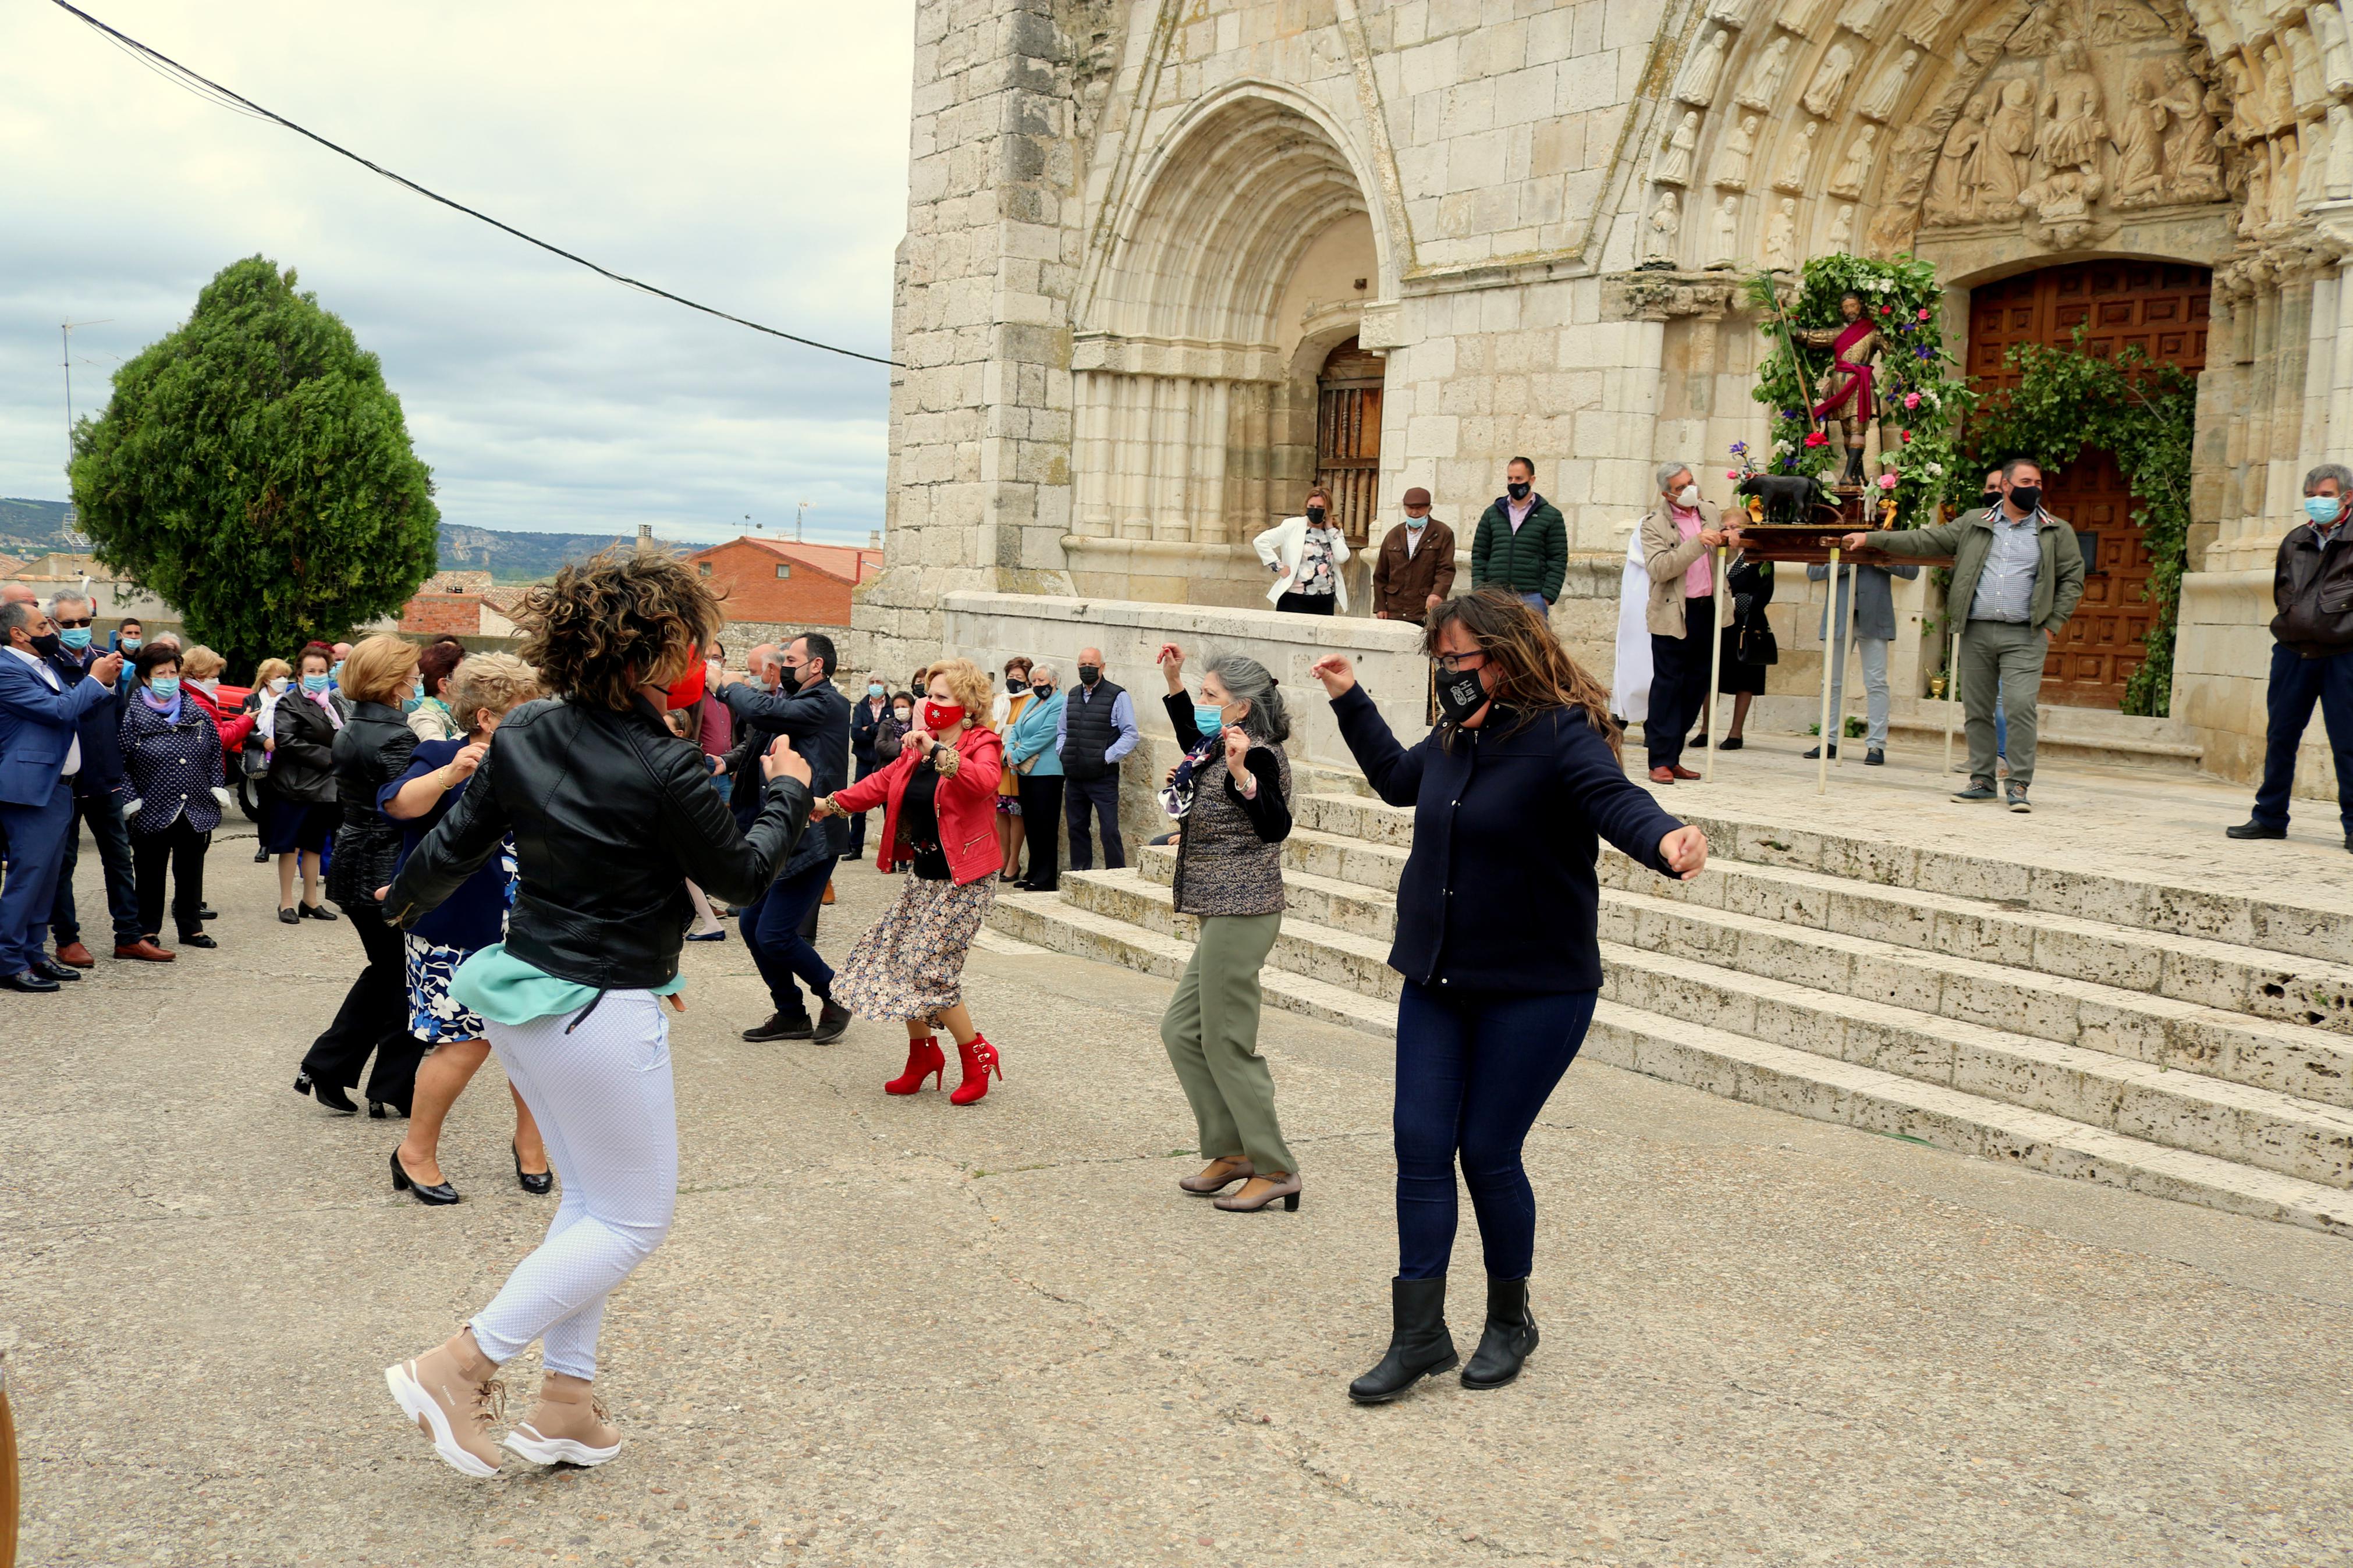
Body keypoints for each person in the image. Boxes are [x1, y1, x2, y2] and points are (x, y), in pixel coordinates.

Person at [381, 547, 814, 1478]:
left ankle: (565, 1404)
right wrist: (789, 788)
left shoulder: (531, 726)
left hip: (528, 992)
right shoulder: (666, 763)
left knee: (589, 1205)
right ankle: (458, 1366)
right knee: (632, 1221)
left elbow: (456, 841)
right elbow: (742, 874)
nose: (695, 658)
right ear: (648, 652)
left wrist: (400, 904)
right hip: (598, 1004)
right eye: (686, 642)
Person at [1309, 590, 1709, 1403]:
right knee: (1420, 1143)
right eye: (1439, 661)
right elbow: (1394, 781)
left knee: (1486, 1149)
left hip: (1535, 987)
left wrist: (1664, 837)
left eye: (1455, 660)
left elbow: (1613, 800)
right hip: (1437, 978)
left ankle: (1508, 1319)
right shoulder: (1454, 732)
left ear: (1501, 655)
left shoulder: (1561, 734)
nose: (1445, 674)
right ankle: (1418, 1333)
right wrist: (1349, 697)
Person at [382, 653, 549, 1204]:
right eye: (526, 712)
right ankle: (415, 1153)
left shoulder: (542, 763)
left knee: (536, 1040)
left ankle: (531, 1144)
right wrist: (451, 774)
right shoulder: (440, 754)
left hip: (533, 926)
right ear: (486, 717)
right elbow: (398, 805)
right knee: (465, 1044)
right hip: (455, 927)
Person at [1844, 455, 2084, 812]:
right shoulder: (1975, 522)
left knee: (2020, 707)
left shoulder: (2056, 530)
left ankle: (2018, 784)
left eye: (2038, 483)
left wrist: (2052, 625)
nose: (2034, 489)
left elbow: (2072, 580)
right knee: (1977, 709)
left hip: (2025, 634)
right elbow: (1926, 540)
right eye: (2026, 483)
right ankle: (1983, 781)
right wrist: (1871, 538)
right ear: (2006, 486)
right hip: (1976, 631)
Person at [816, 660, 1006, 1104]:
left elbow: (984, 782)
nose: (930, 703)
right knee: (899, 961)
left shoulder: (982, 742)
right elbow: (880, 783)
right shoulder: (918, 745)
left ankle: (977, 1055)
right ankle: (922, 1056)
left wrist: (938, 752)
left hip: (965, 878)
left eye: (941, 696)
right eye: (928, 695)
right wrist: (830, 803)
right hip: (923, 876)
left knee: (930, 970)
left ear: (967, 705)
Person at [1152, 643, 1300, 1213]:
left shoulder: (1259, 756)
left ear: (1241, 707)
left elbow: (1275, 827)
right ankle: (1232, 1150)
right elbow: (1191, 731)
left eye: (1211, 694)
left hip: (1245, 908)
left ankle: (1275, 1166)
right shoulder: (1215, 746)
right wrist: (1173, 681)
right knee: (1180, 1030)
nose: (1203, 701)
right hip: (1218, 906)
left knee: (1225, 1039)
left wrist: (1242, 777)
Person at [295, 635, 424, 1119]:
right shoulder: (396, 736)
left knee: (390, 971)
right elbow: (405, 808)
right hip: (384, 867)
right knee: (404, 974)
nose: (416, 681)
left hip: (355, 860)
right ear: (392, 683)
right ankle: (381, 1082)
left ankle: (338, 1069)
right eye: (411, 675)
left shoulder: (352, 726)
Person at [713, 632, 852, 1045]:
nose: (784, 666)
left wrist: (727, 683)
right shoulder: (794, 702)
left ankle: (836, 994)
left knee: (773, 933)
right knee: (752, 924)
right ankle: (790, 1012)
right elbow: (756, 740)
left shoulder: (826, 703)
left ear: (816, 665)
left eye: (791, 660)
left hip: (812, 835)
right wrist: (723, 762)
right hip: (782, 833)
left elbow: (762, 710)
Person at [0, 600, 126, 991]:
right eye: (43, 626)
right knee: (28, 878)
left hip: (59, 787)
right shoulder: (6, 669)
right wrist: (95, 679)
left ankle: (34, 953)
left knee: (47, 879)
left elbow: (75, 709)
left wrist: (104, 683)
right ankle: (8, 960)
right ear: (18, 633)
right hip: (31, 789)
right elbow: (58, 711)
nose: (51, 632)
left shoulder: (41, 665)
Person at [2230, 461, 2353, 849]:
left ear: (2347, 497)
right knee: (2280, 736)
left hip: (2343, 654)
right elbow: (2282, 590)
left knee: (2348, 741)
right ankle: (2269, 817)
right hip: (2292, 653)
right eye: (2311, 495)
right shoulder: (2295, 539)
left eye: (2326, 495)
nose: (2317, 501)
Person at [42, 591, 158, 965]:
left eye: (85, 621)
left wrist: (119, 764)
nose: (78, 628)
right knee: (63, 864)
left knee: (120, 859)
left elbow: (119, 715)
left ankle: (129, 936)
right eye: (69, 623)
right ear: (54, 625)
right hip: (63, 780)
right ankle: (67, 939)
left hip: (105, 778)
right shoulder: (46, 663)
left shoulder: (106, 659)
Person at [118, 642, 225, 951]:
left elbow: (214, 754)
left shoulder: (197, 714)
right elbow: (119, 764)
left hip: (195, 806)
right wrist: (132, 801)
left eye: (172, 673)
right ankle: (147, 929)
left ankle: (191, 928)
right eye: (160, 673)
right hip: (150, 809)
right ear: (146, 678)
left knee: (191, 870)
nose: (168, 678)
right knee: (150, 873)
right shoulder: (131, 717)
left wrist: (217, 787)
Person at [1639, 460, 1737, 783]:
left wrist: (1730, 543)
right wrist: (1697, 543)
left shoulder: (1709, 510)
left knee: (1696, 685)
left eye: (1690, 482)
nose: (1689, 490)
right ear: (1667, 494)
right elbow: (1660, 568)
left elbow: (1721, 558)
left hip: (1709, 609)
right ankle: (1659, 760)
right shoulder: (1653, 524)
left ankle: (1674, 755)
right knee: (1668, 686)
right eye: (1681, 487)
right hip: (1673, 613)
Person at [1804, 554, 1917, 765]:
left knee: (1877, 682)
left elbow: (1912, 571)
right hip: (1838, 618)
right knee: (1831, 682)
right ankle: (1828, 740)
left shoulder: (1887, 540)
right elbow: (1814, 572)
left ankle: (1876, 745)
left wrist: (1882, 560)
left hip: (1875, 619)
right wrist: (1847, 561)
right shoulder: (1837, 539)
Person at [263, 644, 343, 923]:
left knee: (315, 845)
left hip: (324, 786)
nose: (317, 676)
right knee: (290, 845)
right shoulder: (289, 702)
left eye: (322, 671)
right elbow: (287, 741)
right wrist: (330, 756)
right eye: (311, 671)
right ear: (299, 674)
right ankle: (286, 902)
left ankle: (310, 900)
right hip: (294, 786)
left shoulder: (331, 704)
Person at [1057, 646, 1138, 872]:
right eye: (1083, 665)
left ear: (1102, 667)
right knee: (1076, 829)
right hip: (1075, 777)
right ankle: (1080, 876)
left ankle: (1117, 878)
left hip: (1103, 778)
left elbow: (1130, 734)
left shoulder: (1118, 696)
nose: (1087, 669)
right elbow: (1062, 731)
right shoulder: (1072, 695)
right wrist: (1063, 752)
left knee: (1109, 831)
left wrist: (1105, 758)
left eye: (1092, 665)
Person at [1691, 553, 1773, 752]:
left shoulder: (1760, 557)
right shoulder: (1714, 552)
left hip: (1745, 624)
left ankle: (1736, 733)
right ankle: (1705, 730)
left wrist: (1734, 601)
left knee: (1746, 679)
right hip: (1715, 622)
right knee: (1710, 677)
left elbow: (1765, 591)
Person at [1469, 457, 1568, 614]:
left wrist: (1547, 596)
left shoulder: (1551, 516)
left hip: (1532, 598)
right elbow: (1480, 554)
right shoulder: (1492, 513)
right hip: (1495, 596)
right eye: (1510, 478)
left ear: (1532, 480)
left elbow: (1558, 558)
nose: (1514, 483)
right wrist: (1480, 591)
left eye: (1519, 478)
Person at [1004, 662, 1064, 891]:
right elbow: (1015, 730)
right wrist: (1009, 753)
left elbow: (1045, 735)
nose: (1038, 685)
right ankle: (1033, 871)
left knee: (1045, 824)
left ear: (1054, 681)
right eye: (1035, 681)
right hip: (1025, 771)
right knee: (1031, 823)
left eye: (1042, 681)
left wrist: (1017, 754)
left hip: (1047, 771)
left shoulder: (1060, 703)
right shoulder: (1032, 701)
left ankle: (1046, 877)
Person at [1255, 488, 1353, 616]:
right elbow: (1261, 541)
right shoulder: (1292, 525)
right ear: (1306, 505)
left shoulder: (1334, 532)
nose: (1315, 510)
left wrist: (1330, 529)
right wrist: (1278, 566)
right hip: (1294, 597)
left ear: (1327, 509)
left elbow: (1342, 557)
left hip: (1324, 598)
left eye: (1320, 507)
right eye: (1312, 506)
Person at [1371, 488, 1457, 625]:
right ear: (1404, 508)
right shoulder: (1393, 535)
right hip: (1395, 609)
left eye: (1420, 508)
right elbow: (1381, 574)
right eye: (1411, 508)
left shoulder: (1442, 533)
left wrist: (1438, 593)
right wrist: (1381, 606)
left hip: (1425, 609)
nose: (1415, 512)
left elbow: (1446, 569)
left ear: (1429, 509)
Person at [993, 658, 1037, 882]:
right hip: (997, 764)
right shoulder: (1000, 699)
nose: (1014, 681)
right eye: (1011, 677)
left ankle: (1014, 860)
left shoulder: (1031, 700)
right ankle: (1002, 857)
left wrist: (1009, 753)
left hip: (1015, 764)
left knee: (1016, 813)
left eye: (1019, 677)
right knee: (1001, 812)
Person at [846, 673, 894, 862]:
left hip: (886, 761)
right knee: (859, 803)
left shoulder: (893, 706)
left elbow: (891, 733)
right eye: (872, 682)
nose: (875, 685)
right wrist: (879, 729)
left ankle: (892, 851)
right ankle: (855, 848)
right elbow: (856, 735)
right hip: (865, 761)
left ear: (886, 686)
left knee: (890, 806)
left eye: (878, 682)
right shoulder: (860, 707)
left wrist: (870, 728)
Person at [407, 640, 466, 742]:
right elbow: (440, 750)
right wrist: (474, 726)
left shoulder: (450, 713)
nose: (470, 681)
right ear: (444, 685)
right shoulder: (422, 717)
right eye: (464, 675)